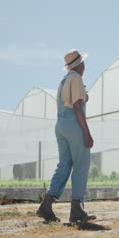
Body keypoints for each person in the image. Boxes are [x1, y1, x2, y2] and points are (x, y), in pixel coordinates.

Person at [37, 49, 96, 223]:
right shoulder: (77, 78)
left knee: (64, 165)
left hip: (60, 125)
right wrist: (87, 133)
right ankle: (76, 209)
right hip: (73, 125)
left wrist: (84, 96)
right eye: (83, 63)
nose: (85, 66)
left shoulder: (64, 80)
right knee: (80, 165)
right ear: (79, 65)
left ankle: (46, 206)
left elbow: (71, 100)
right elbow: (77, 106)